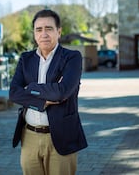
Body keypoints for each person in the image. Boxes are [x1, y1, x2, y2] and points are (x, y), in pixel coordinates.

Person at [10, 9, 88, 175]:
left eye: (49, 28)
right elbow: (14, 93)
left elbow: (62, 92)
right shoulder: (26, 59)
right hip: (29, 136)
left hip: (61, 136)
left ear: (58, 32)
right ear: (34, 34)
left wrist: (30, 88)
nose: (43, 34)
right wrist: (42, 101)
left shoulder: (72, 58)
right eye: (39, 29)